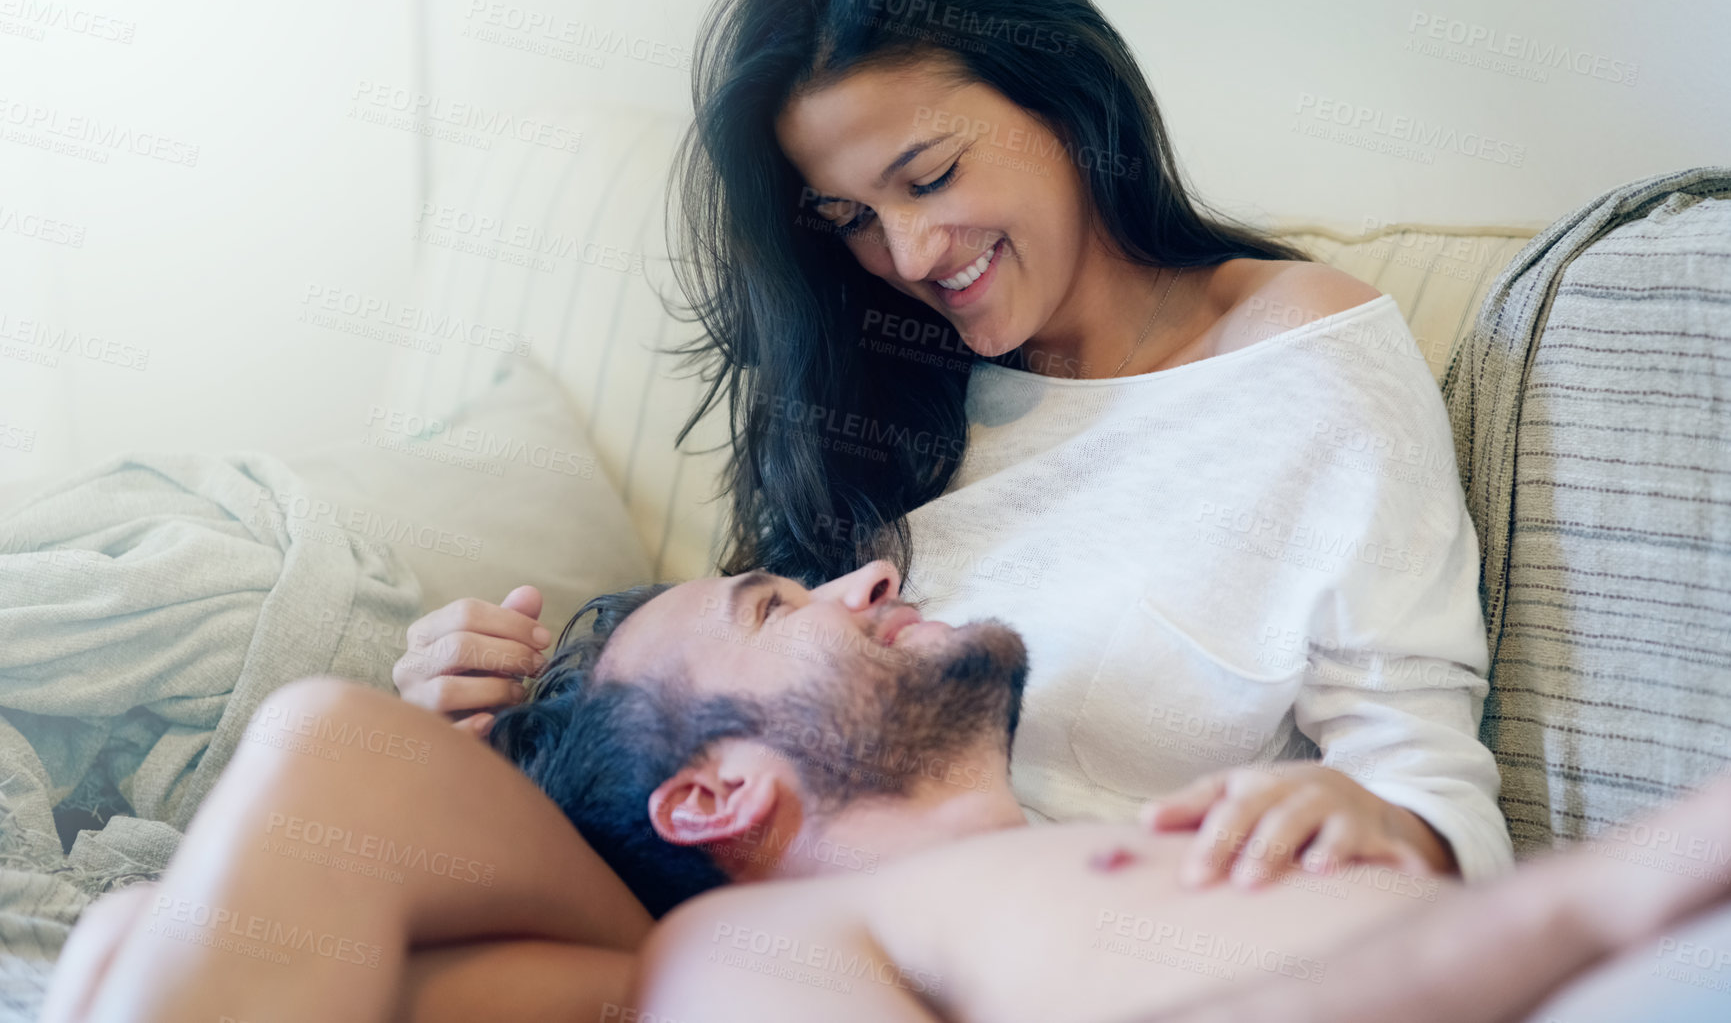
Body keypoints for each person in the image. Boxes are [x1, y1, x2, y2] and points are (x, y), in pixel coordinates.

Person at [395, 0, 1515, 881]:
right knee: (349, 761)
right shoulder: (880, 385)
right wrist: (490, 736)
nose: (911, 256)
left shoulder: (1298, 357)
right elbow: (721, 765)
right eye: (850, 219)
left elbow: (1428, 784)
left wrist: (1375, 827)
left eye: (928, 176)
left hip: (1066, 956)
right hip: (775, 954)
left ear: (1063, 94)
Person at [50, 564, 1731, 1022]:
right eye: (779, 610)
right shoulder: (757, 958)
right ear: (710, 799)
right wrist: (1590, 902)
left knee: (145, 929)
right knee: (320, 751)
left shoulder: (1072, 862)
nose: (864, 573)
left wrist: (1384, 843)